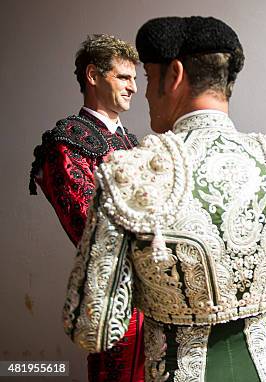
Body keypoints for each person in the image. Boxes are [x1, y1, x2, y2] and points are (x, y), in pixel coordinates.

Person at [62, 16, 266, 381]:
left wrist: (164, 294)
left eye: (148, 77)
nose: (144, 93)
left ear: (174, 75)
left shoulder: (131, 173)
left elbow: (92, 325)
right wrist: (255, 295)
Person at [29, 34, 144, 381]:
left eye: (135, 79)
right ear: (93, 76)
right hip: (112, 299)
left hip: (152, 299)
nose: (134, 88)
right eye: (124, 77)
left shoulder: (130, 140)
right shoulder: (68, 141)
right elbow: (87, 225)